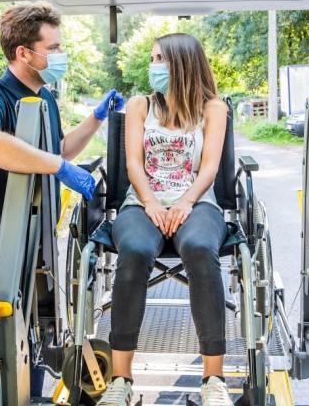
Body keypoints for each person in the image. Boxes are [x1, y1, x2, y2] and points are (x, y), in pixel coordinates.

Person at [0, 1, 125, 396]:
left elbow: (60, 151)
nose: (59, 55)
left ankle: (33, 394)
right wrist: (57, 167)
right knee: (2, 335)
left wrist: (97, 118)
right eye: (52, 48)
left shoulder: (45, 98)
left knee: (36, 329)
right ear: (23, 53)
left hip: (38, 238)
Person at [98, 33, 232, 406]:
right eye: (153, 58)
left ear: (182, 63)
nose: (153, 66)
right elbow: (133, 164)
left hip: (197, 203)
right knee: (136, 250)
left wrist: (186, 202)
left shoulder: (213, 108)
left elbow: (210, 167)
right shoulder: (140, 105)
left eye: (160, 59)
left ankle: (213, 382)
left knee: (200, 248)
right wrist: (152, 202)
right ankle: (121, 381)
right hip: (141, 204)